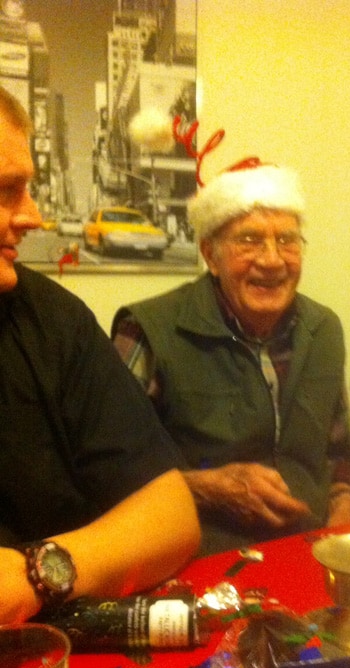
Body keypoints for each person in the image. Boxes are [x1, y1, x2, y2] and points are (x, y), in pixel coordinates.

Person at [0, 85, 201, 625]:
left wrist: (32, 577)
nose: (34, 217)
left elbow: (173, 517)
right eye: (7, 190)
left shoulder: (53, 319)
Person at [112, 162, 350, 555]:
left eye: (287, 240)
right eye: (249, 240)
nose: (272, 260)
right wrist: (206, 489)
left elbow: (340, 451)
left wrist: (343, 507)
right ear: (210, 255)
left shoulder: (323, 330)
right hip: (199, 559)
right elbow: (111, 471)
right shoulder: (147, 330)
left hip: (310, 548)